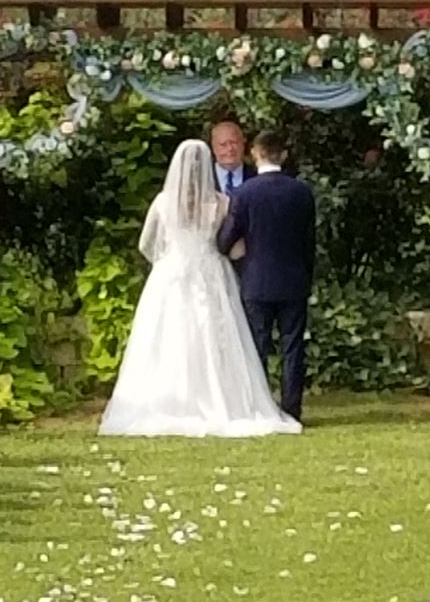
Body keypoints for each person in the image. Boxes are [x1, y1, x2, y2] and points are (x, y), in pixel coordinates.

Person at [100, 139, 301, 438]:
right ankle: (220, 399)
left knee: (169, 338)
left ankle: (171, 399)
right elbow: (233, 248)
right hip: (211, 274)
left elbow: (146, 244)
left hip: (172, 275)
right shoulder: (220, 203)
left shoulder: (163, 203)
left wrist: (167, 260)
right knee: (214, 337)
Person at [217, 130, 316, 423]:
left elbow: (225, 240)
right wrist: (306, 275)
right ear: (283, 155)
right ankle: (291, 408)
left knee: (256, 346)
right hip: (294, 279)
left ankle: (257, 406)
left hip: (256, 280)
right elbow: (308, 242)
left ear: (255, 154)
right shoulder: (301, 192)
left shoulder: (244, 193)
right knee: (293, 346)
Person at [210, 120, 256, 197]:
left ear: (243, 144)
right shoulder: (203, 178)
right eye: (223, 144)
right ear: (213, 147)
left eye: (234, 143)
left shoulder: (256, 176)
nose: (230, 148)